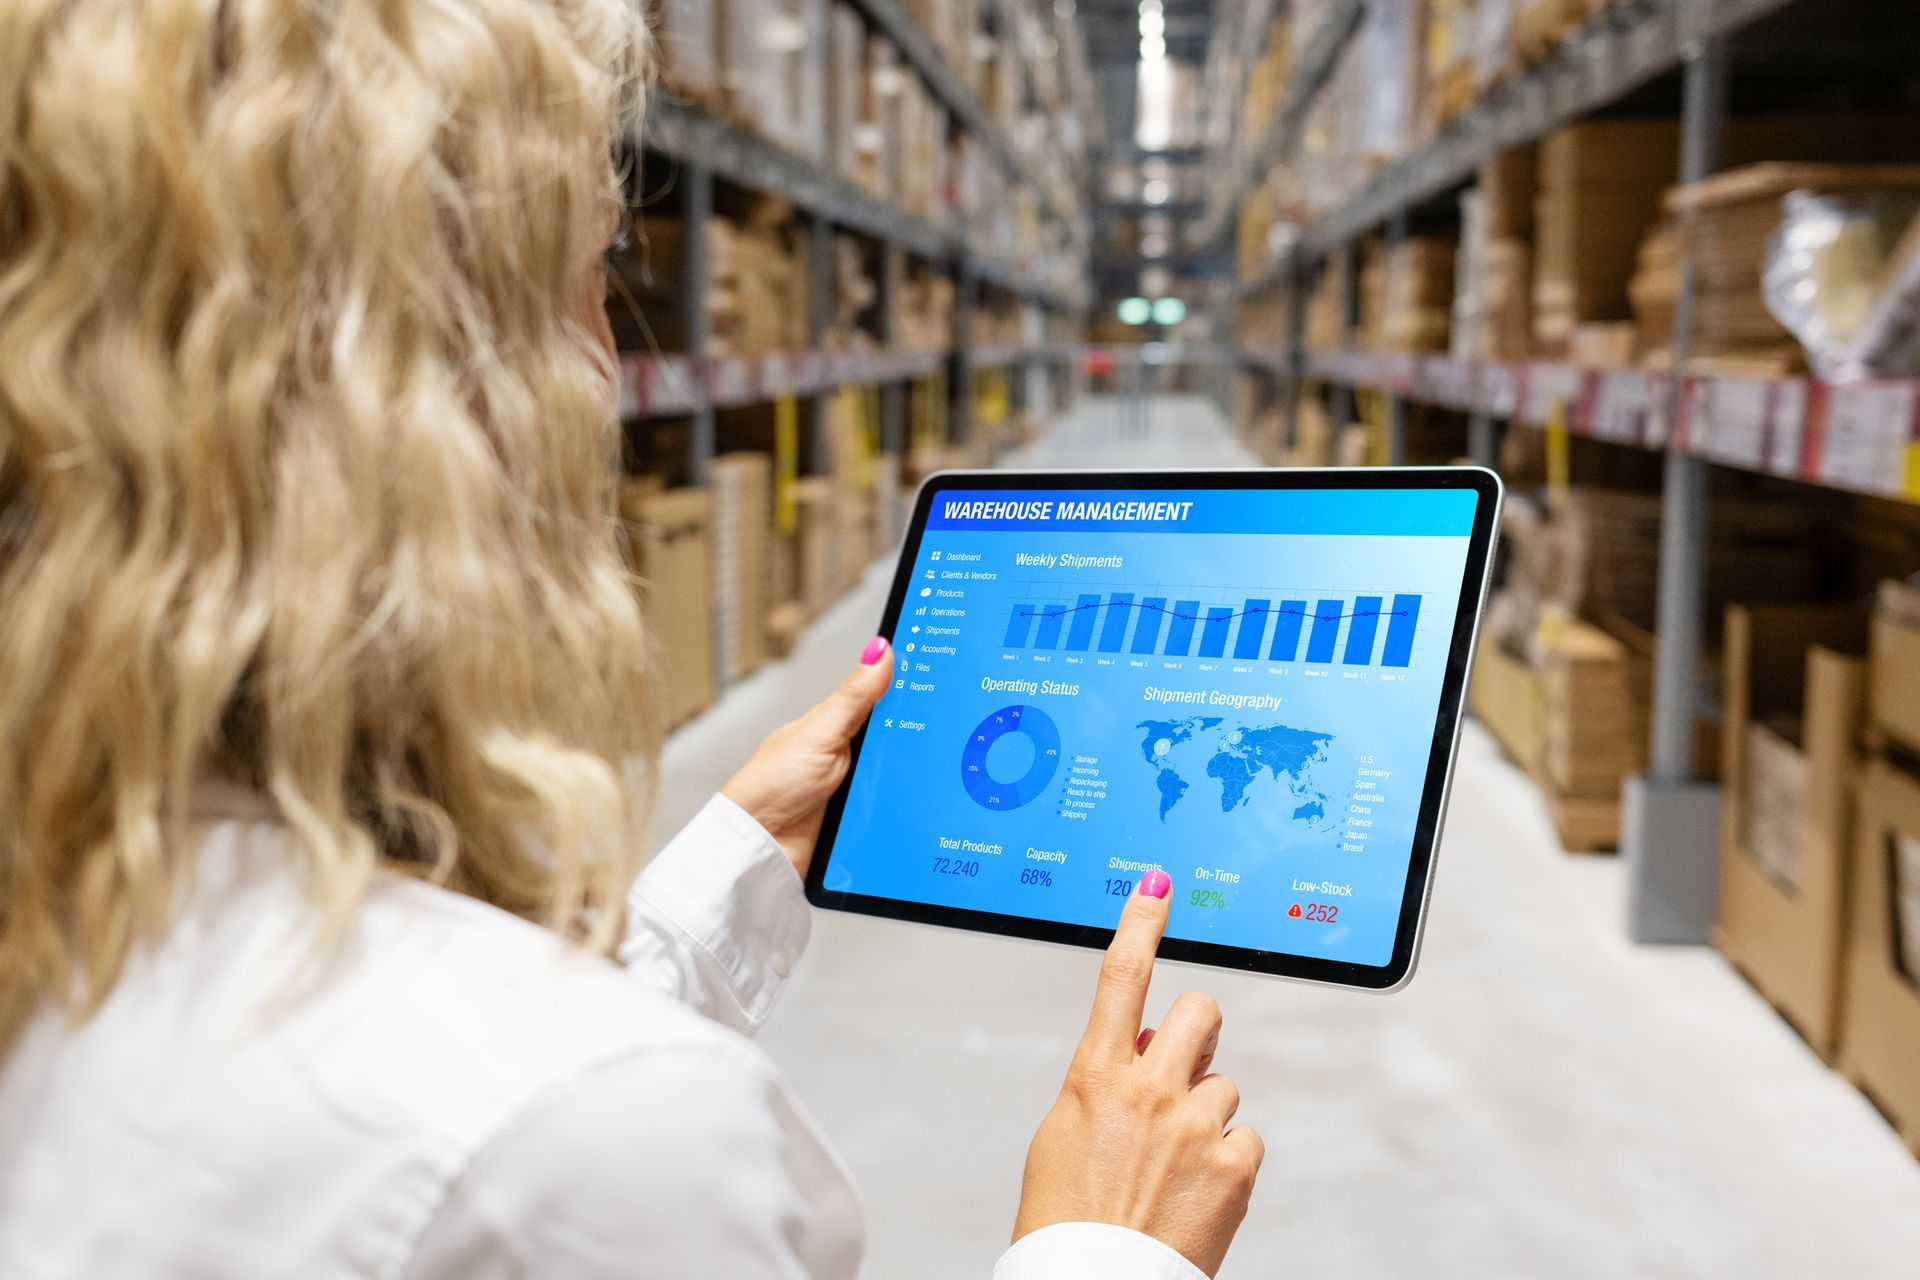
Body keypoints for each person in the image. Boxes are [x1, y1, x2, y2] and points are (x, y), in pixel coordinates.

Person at [0, 1, 1263, 1276]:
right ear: (438, 393)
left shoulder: (76, 912)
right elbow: (533, 1123)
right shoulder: (595, 1139)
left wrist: (742, 856)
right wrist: (1107, 1243)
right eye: (597, 269)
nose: (611, 364)